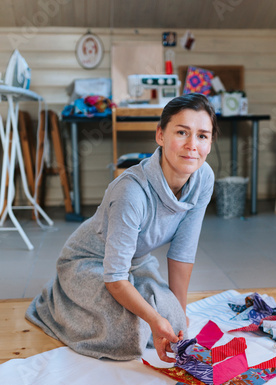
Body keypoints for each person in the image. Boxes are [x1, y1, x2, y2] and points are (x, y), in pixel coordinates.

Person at [26, 93, 217, 363]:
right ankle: (59, 297)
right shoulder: (131, 191)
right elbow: (115, 277)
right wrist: (152, 319)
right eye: (182, 132)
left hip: (135, 262)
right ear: (160, 135)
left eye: (202, 136)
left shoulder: (203, 177)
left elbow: (183, 252)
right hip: (89, 262)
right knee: (131, 331)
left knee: (172, 320)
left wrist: (178, 313)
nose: (192, 145)